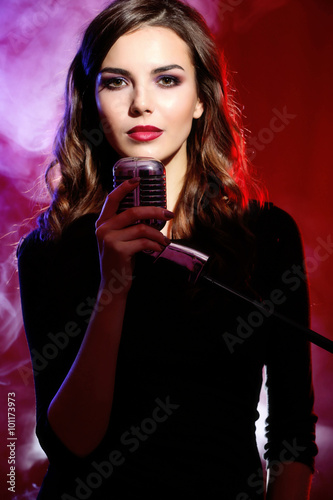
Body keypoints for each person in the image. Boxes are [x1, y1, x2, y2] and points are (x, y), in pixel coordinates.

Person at [17, 0, 318, 498]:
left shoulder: (265, 236)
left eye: (167, 79)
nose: (141, 104)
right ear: (91, 100)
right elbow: (69, 443)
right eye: (116, 82)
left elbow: (292, 435)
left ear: (202, 98)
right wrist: (113, 285)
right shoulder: (50, 250)